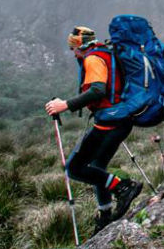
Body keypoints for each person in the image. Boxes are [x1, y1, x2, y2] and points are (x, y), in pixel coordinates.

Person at [45, 26, 142, 234]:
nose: (73, 53)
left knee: (74, 167)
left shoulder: (92, 59)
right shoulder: (106, 54)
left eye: (73, 48)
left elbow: (98, 90)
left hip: (110, 123)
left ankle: (123, 186)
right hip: (121, 120)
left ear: (80, 46)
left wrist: (65, 105)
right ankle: (105, 214)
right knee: (98, 165)